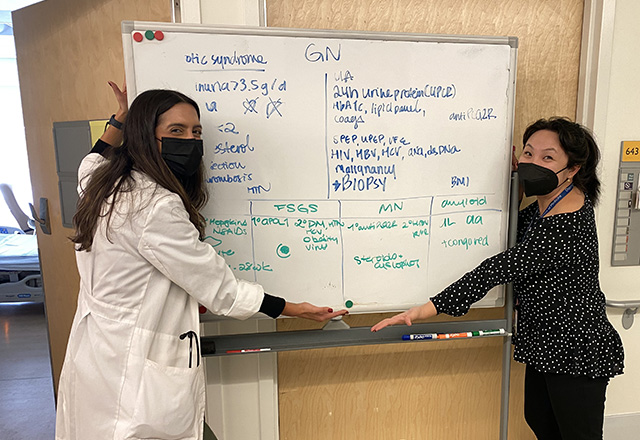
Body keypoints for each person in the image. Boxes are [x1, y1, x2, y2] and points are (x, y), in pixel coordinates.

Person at [55, 82, 347, 440]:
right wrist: (295, 308)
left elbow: (92, 158)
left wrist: (119, 120)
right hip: (137, 371)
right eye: (175, 131)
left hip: (99, 355)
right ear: (145, 137)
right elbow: (221, 291)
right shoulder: (155, 206)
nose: (190, 141)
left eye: (196, 132)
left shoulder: (102, 184)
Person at [371, 117, 624, 440]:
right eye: (529, 154)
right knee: (539, 420)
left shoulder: (566, 224)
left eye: (548, 158)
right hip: (546, 340)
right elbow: (519, 234)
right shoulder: (546, 207)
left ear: (573, 169)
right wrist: (517, 197)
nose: (534, 164)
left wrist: (424, 310)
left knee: (576, 434)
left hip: (576, 346)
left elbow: (497, 268)